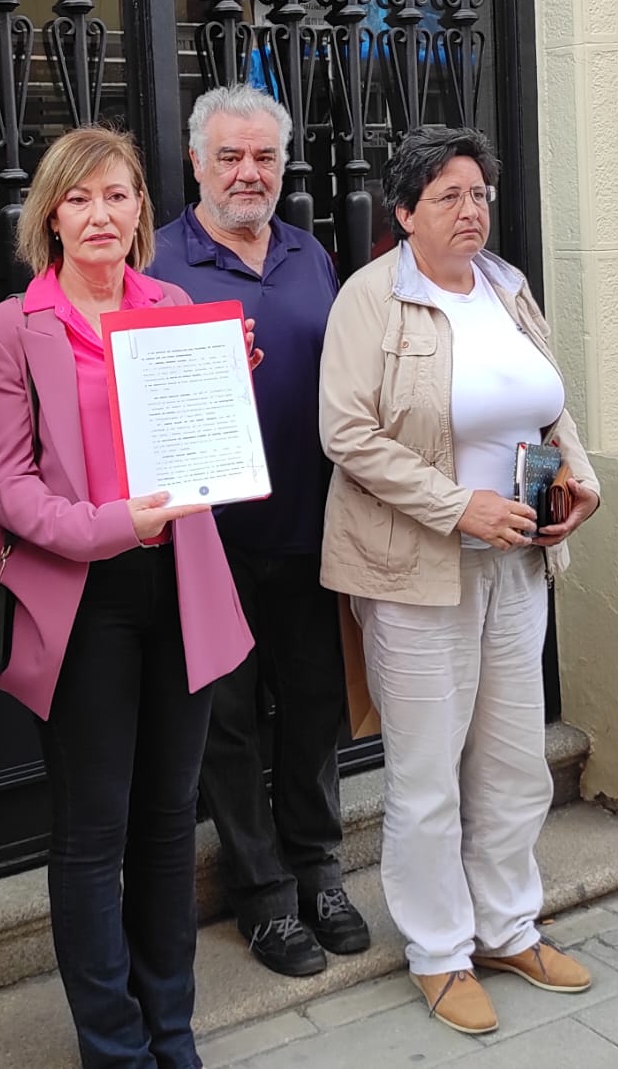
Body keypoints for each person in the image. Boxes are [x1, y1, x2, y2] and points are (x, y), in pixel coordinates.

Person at [0, 126, 254, 1069]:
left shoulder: (175, 304)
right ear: (50, 212)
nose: (102, 214)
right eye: (81, 198)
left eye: (120, 196)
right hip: (85, 599)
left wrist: (227, 389)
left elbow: (202, 453)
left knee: (170, 822)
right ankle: (113, 1049)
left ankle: (172, 1035)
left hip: (183, 588)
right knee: (94, 835)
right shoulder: (8, 329)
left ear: (141, 212)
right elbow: (6, 489)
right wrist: (110, 526)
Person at [318, 125, 603, 1037]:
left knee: (515, 761)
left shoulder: (509, 287)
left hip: (517, 565)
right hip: (414, 574)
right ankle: (439, 953)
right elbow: (348, 435)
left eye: (478, 194)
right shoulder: (372, 299)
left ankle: (508, 926)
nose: (471, 211)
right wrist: (457, 507)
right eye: (447, 197)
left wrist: (580, 474)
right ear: (404, 214)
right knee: (427, 771)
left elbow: (549, 405)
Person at [143, 86, 367, 977]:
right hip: (207, 543)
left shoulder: (313, 256)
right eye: (230, 157)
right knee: (228, 726)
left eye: (265, 157)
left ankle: (320, 870)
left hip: (311, 528)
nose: (249, 173)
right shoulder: (153, 260)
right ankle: (263, 896)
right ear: (196, 162)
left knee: (314, 713)